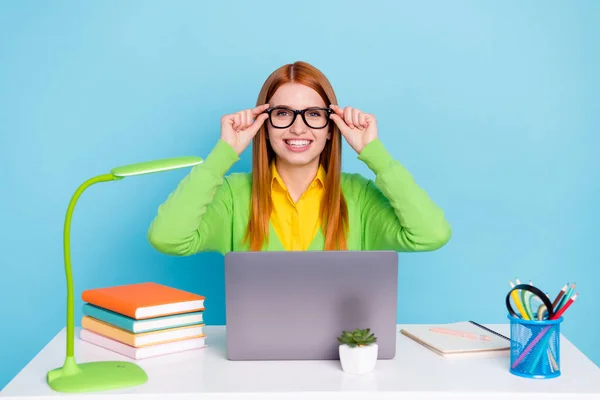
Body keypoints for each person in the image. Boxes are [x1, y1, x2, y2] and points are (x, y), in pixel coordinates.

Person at [147, 61, 451, 255]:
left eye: (314, 114)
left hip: (342, 352)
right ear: (264, 126)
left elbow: (430, 235)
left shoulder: (358, 196)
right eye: (282, 113)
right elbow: (168, 239)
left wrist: (374, 154)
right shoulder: (232, 196)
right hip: (257, 352)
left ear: (332, 127)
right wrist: (223, 154)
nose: (298, 126)